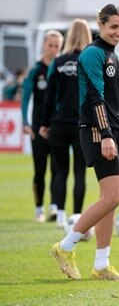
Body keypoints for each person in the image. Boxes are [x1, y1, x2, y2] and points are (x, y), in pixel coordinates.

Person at [50, 4, 119, 281]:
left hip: (116, 132)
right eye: (113, 27)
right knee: (113, 197)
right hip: (99, 132)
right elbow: (95, 97)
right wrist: (107, 134)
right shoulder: (93, 54)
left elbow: (115, 101)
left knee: (110, 202)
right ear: (100, 25)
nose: (118, 32)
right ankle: (65, 246)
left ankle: (101, 265)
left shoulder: (113, 56)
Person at [39, 19, 92, 228]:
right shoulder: (89, 61)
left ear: (69, 36)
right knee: (79, 171)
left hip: (59, 123)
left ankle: (60, 215)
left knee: (61, 171)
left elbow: (49, 97)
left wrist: (44, 123)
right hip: (82, 124)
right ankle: (76, 217)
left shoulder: (58, 62)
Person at [21, 30, 63, 222]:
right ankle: (39, 209)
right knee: (40, 169)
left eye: (57, 46)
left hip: (56, 126)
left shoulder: (61, 68)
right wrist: (25, 122)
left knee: (57, 168)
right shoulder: (35, 70)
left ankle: (54, 206)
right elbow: (25, 97)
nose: (54, 49)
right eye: (51, 45)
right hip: (38, 127)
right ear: (44, 46)